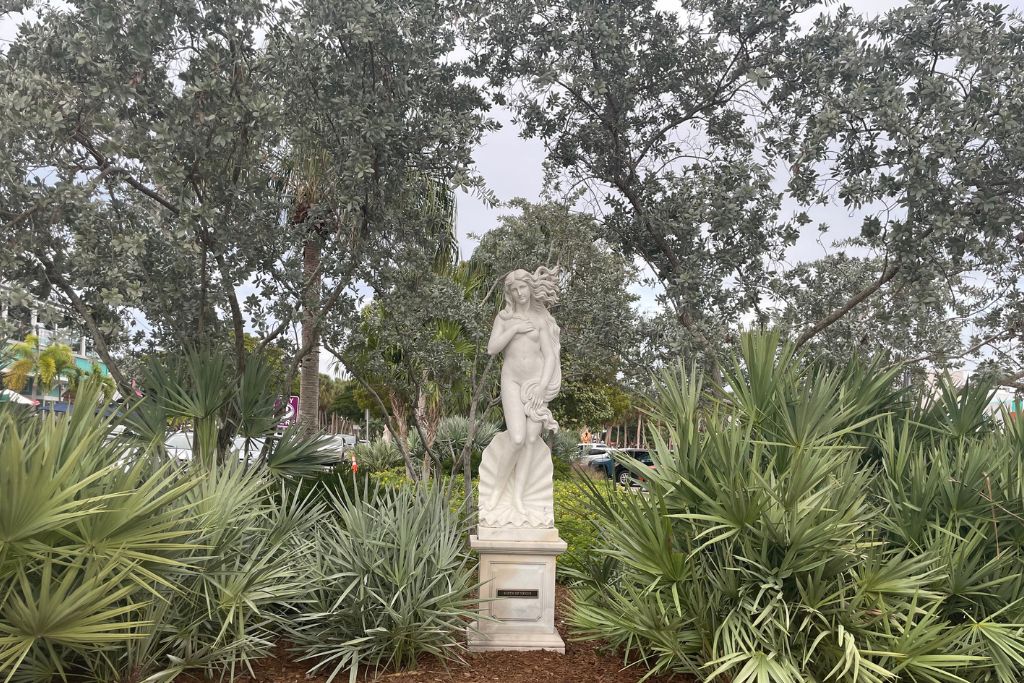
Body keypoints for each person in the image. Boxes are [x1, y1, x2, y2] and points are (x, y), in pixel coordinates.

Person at [484, 266, 561, 518]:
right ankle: (497, 491)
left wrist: (542, 386)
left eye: (523, 287)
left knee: (530, 439)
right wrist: (515, 329)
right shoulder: (504, 318)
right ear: (510, 293)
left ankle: (518, 496)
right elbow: (492, 348)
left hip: (536, 385)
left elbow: (550, 357)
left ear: (530, 287)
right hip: (512, 381)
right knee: (517, 438)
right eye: (515, 289)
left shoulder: (541, 319)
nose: (520, 293)